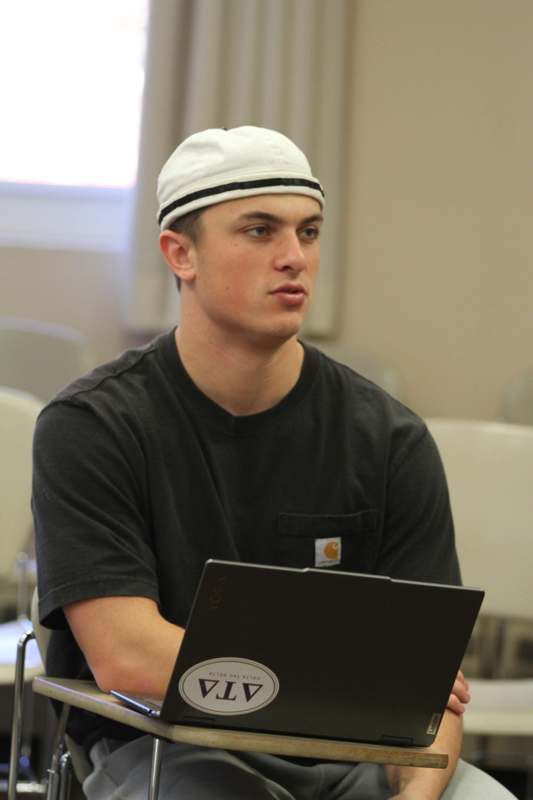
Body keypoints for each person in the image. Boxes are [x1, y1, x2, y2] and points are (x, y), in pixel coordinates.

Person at [33, 126, 484, 800]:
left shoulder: (389, 438)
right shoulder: (93, 426)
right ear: (179, 253)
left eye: (308, 232)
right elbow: (127, 654)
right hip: (165, 753)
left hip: (351, 760)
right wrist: (364, 671)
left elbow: (431, 697)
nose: (293, 257)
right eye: (258, 231)